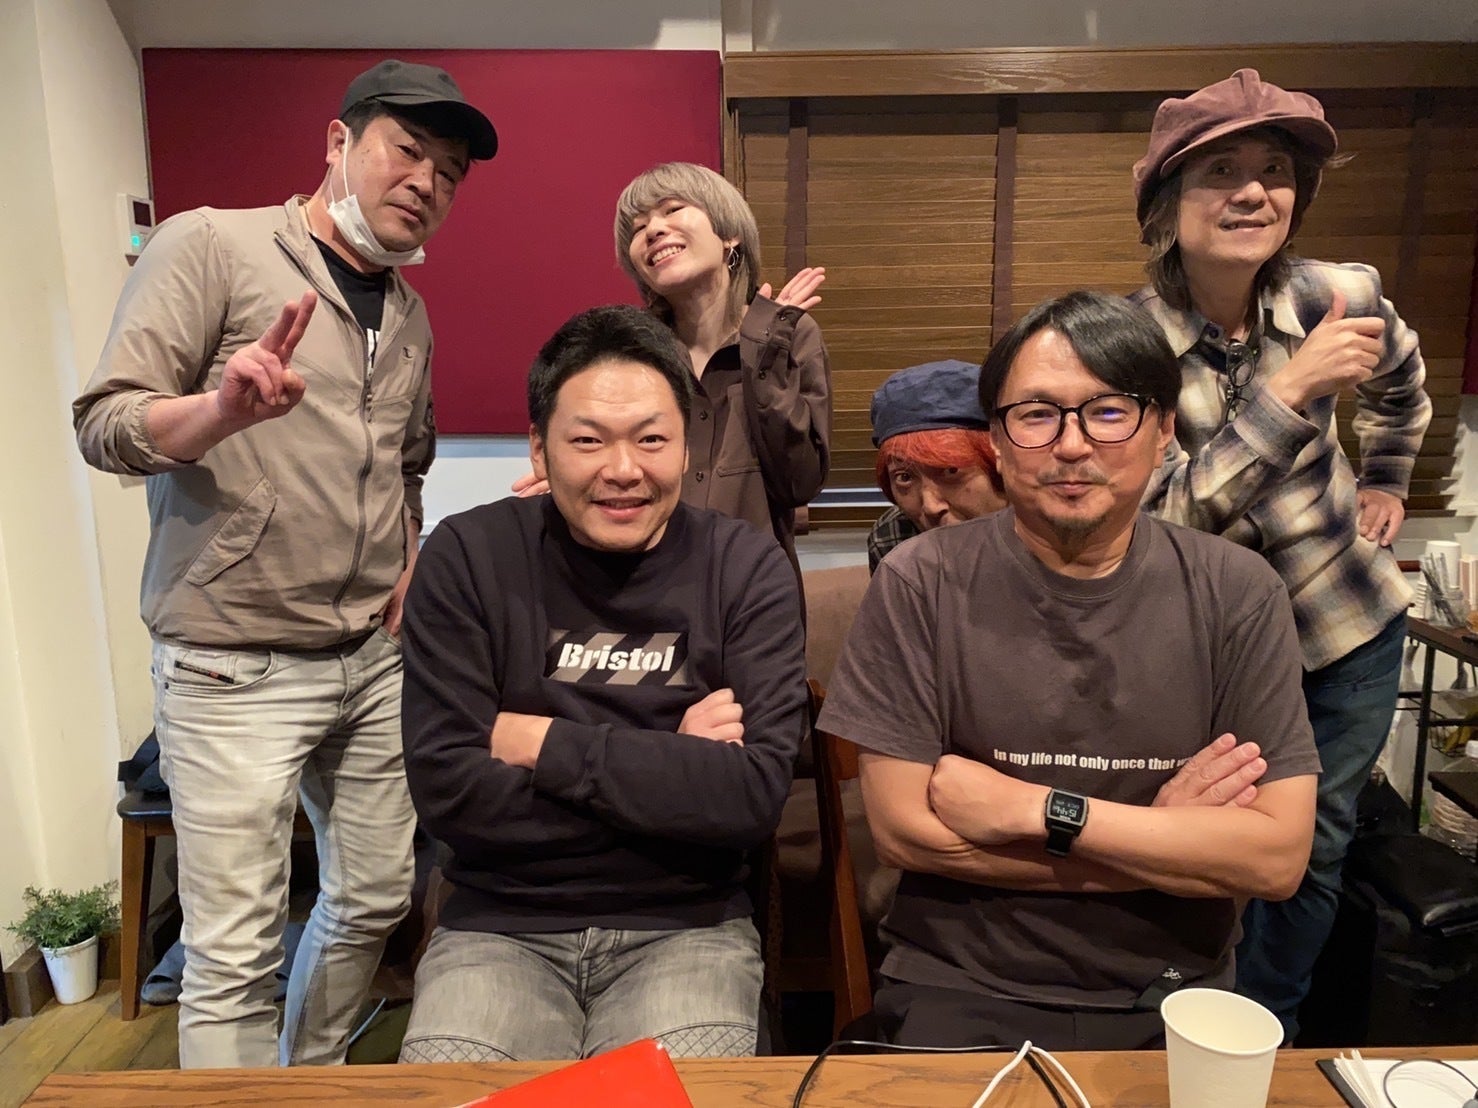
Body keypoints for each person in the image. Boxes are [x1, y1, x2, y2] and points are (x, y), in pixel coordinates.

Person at [73, 59, 497, 1068]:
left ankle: (307, 1078)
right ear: (338, 142)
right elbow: (104, 423)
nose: (426, 183)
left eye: (448, 173)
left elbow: (406, 460)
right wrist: (217, 412)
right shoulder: (210, 244)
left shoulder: (409, 311)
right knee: (233, 955)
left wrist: (408, 554)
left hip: (369, 661)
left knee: (375, 897)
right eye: (407, 151)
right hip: (232, 665)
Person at [816, 291, 1320, 1051]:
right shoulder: (920, 580)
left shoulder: (1238, 591)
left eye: (1109, 411)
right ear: (999, 437)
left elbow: (1276, 860)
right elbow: (906, 835)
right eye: (1037, 415)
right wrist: (1168, 845)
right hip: (958, 979)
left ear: (1164, 430)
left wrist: (1041, 812)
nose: (1073, 445)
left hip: (1174, 988)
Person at [397, 304, 808, 1063]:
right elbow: (449, 794)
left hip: (688, 928)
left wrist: (538, 741)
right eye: (588, 440)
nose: (623, 470)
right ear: (540, 448)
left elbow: (749, 798)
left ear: (686, 446)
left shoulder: (745, 568)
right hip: (499, 928)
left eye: (651, 439)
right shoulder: (468, 556)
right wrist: (671, 760)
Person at [1128, 69, 1431, 1039]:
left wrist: (1387, 478)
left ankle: (1265, 1036)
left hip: (1344, 629)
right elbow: (1166, 520)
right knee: (1199, 837)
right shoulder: (1130, 344)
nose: (1253, 192)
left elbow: (1403, 387)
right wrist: (1288, 393)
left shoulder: (1339, 294)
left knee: (1313, 849)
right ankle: (1177, 1024)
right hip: (1205, 650)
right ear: (1166, 202)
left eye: (1274, 171)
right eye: (1220, 171)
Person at [866, 359, 1007, 573]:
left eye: (951, 470)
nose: (931, 507)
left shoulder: (1049, 527)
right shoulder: (893, 538)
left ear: (999, 462)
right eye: (904, 477)